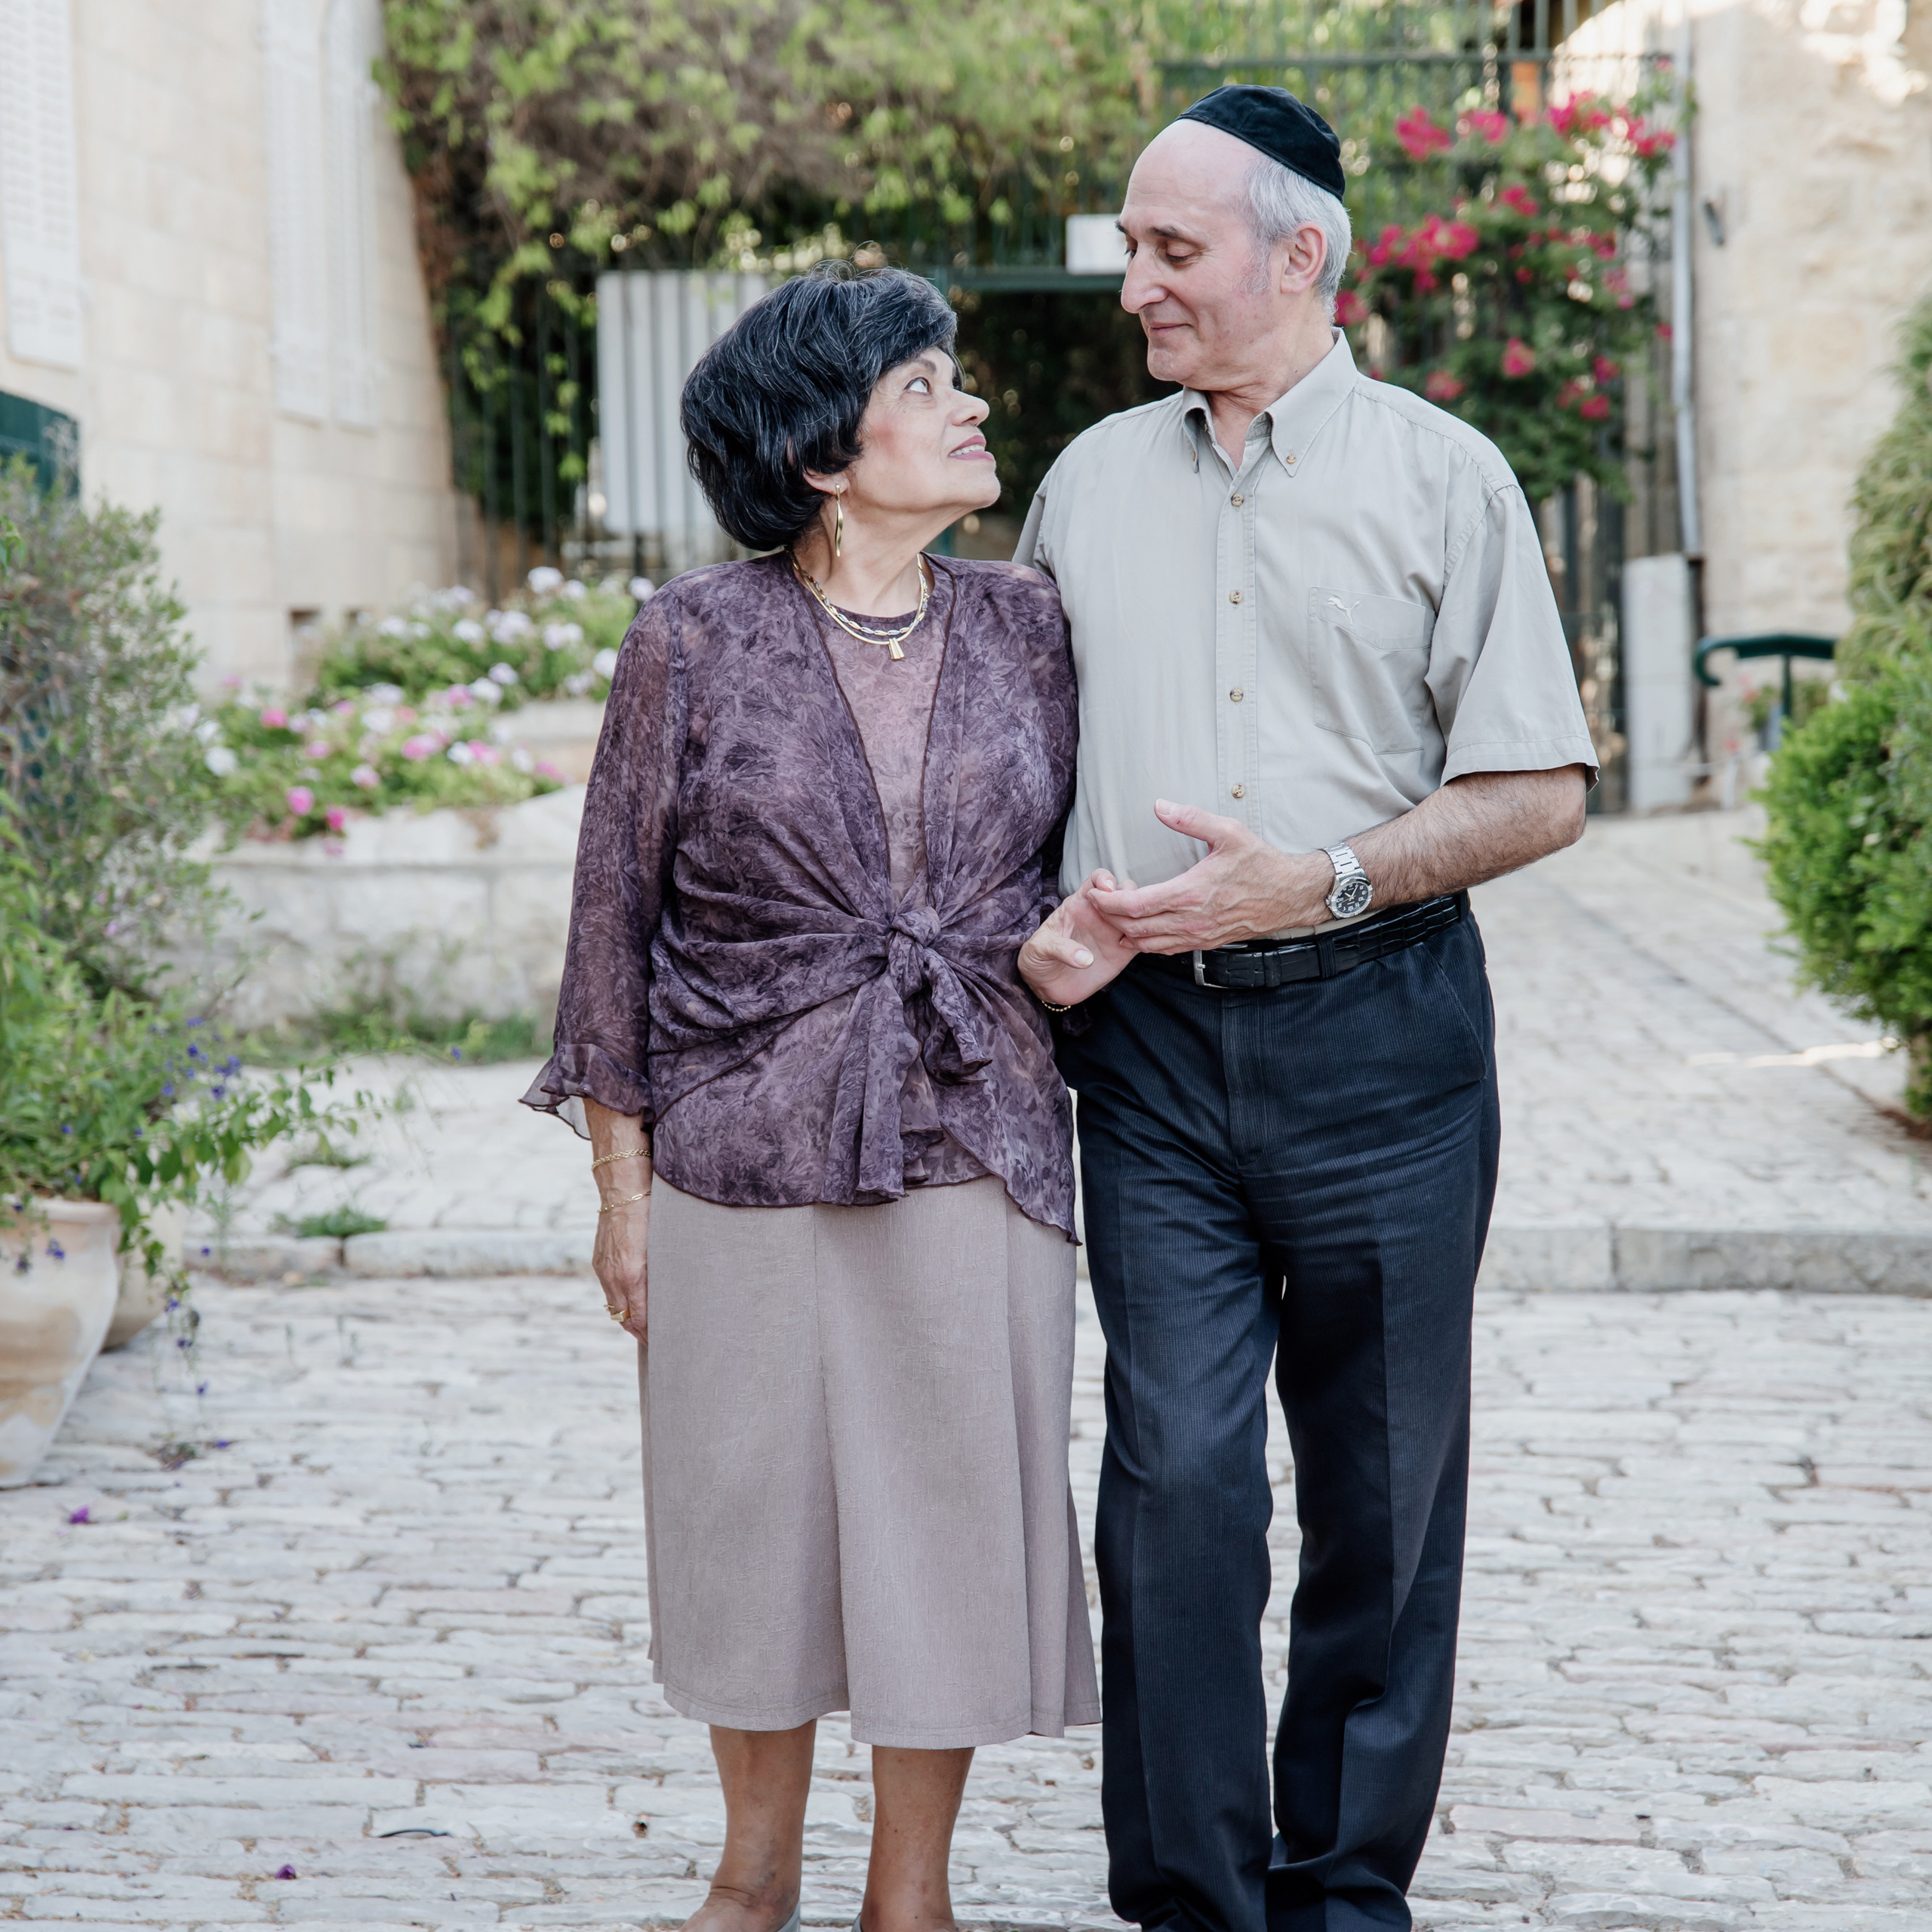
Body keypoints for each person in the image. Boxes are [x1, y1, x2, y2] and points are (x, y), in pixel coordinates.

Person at [1015, 85, 1598, 1932]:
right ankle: (1194, 1895)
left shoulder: (1446, 477)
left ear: (1301, 257)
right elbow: (1019, 766)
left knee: (1379, 1486)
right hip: (1156, 1052)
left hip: (1385, 1043)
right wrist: (1054, 922)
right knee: (1173, 1467)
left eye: (1170, 250)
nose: (1136, 289)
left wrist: (1324, 877)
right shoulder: (1087, 480)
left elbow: (1537, 787)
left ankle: (1342, 1889)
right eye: (1131, 249)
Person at [522, 262, 1103, 1932]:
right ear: (820, 454)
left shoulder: (1029, 625)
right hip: (736, 1145)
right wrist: (620, 1193)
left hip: (971, 1126)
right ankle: (750, 1872)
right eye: (924, 386)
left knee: (944, 1512)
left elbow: (1082, 867)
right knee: (746, 1512)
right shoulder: (687, 639)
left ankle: (904, 1894)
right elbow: (609, 923)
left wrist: (1075, 946)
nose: (967, 404)